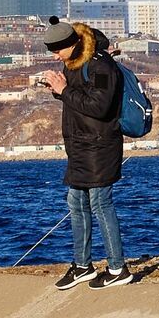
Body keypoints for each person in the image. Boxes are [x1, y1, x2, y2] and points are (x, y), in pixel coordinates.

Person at [40, 17, 132, 290]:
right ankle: (83, 266)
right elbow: (80, 100)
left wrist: (64, 90)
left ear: (72, 44)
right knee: (76, 204)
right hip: (80, 147)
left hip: (100, 146)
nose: (55, 56)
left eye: (57, 50)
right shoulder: (73, 64)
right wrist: (59, 92)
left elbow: (100, 107)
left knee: (101, 205)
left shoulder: (101, 64)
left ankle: (118, 267)